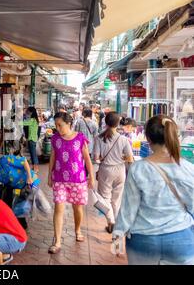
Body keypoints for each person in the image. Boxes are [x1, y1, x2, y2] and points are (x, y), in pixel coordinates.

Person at [113, 115, 194, 265]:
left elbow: (128, 210)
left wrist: (117, 240)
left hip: (143, 241)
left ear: (148, 139)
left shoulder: (138, 169)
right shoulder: (189, 169)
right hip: (181, 240)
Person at [47, 112, 95, 254]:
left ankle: (78, 229)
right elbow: (53, 157)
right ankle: (57, 241)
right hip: (59, 179)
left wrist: (91, 176)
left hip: (78, 180)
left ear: (68, 124)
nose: (58, 128)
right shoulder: (55, 138)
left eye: (60, 125)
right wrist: (49, 174)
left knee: (77, 209)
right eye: (56, 125)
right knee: (58, 209)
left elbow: (87, 159)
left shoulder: (80, 138)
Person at [93, 112, 134, 233]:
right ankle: (116, 224)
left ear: (105, 123)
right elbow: (130, 158)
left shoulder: (99, 138)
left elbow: (96, 158)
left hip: (106, 170)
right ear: (118, 123)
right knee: (116, 199)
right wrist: (121, 157)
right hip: (120, 171)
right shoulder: (123, 139)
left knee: (105, 198)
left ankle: (111, 221)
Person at [21, 106, 40, 173]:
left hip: (31, 139)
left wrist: (17, 122)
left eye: (28, 112)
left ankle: (36, 169)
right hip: (33, 138)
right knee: (32, 154)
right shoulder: (35, 120)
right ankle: (35, 168)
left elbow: (23, 123)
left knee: (33, 154)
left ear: (31, 112)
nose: (27, 113)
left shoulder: (32, 120)